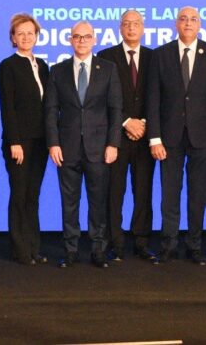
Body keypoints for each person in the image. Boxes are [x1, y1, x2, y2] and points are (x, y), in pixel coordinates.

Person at [146, 6, 206, 266]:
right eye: (183, 19)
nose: (187, 23)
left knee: (198, 195)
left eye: (193, 19)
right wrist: (154, 138)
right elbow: (153, 99)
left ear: (200, 25)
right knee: (169, 195)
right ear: (176, 24)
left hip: (203, 138)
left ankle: (194, 245)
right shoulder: (160, 55)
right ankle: (168, 245)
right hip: (168, 138)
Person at [46, 20, 122, 268]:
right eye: (77, 37)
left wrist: (113, 144)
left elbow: (115, 109)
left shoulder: (108, 69)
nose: (81, 41)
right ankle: (70, 249)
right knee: (69, 202)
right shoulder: (58, 70)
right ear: (70, 40)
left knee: (98, 202)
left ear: (94, 40)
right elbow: (51, 110)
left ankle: (98, 249)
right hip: (66, 147)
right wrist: (53, 143)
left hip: (99, 148)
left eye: (86, 36)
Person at [97, 10, 158, 263]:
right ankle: (116, 243)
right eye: (126, 24)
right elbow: (101, 97)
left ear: (143, 28)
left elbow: (160, 95)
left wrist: (143, 123)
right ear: (120, 28)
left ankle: (142, 242)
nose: (131, 28)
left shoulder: (155, 58)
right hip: (116, 136)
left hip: (146, 135)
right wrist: (126, 121)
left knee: (143, 191)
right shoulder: (105, 57)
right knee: (115, 192)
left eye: (136, 24)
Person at [0, 13, 50, 265]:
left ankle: (33, 248)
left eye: (30, 33)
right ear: (13, 38)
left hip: (41, 141)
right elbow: (7, 107)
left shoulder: (43, 65)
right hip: (19, 142)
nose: (26, 37)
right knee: (19, 195)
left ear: (37, 36)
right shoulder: (8, 66)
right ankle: (20, 250)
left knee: (32, 195)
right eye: (21, 34)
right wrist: (14, 142)